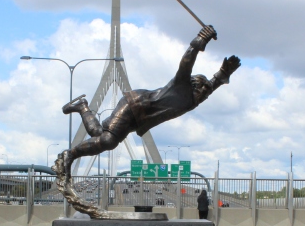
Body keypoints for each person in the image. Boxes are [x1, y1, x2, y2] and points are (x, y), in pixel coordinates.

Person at [59, 26, 240, 173]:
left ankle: (82, 107)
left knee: (98, 135)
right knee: (108, 141)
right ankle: (70, 154)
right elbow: (186, 62)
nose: (205, 94)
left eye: (206, 92)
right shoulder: (181, 87)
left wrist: (224, 73)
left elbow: (213, 84)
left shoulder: (193, 100)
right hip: (136, 105)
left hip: (140, 119)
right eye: (203, 90)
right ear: (193, 86)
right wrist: (202, 39)